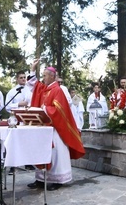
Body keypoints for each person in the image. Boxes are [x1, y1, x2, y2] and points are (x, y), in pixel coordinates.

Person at [27, 60, 85, 191]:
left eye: (45, 75)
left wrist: (45, 108)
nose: (43, 78)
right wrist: (32, 70)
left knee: (56, 153)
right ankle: (41, 179)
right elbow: (33, 85)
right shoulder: (45, 88)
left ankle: (58, 180)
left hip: (56, 129)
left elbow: (59, 110)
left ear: (52, 76)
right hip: (44, 128)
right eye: (43, 75)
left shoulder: (57, 90)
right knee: (42, 152)